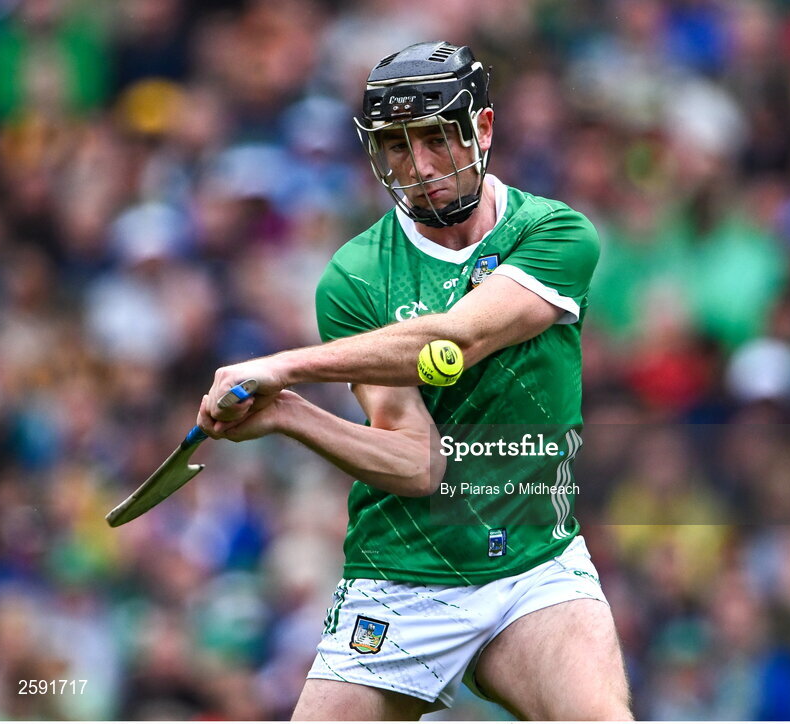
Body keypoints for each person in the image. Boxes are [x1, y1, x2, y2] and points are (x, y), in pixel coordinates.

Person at [197, 40, 632, 721]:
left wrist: (283, 365)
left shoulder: (554, 232)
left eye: (435, 139)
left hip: (533, 569)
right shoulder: (356, 276)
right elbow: (417, 462)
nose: (419, 167)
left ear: (481, 130)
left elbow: (457, 335)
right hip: (401, 576)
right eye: (396, 146)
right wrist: (290, 413)